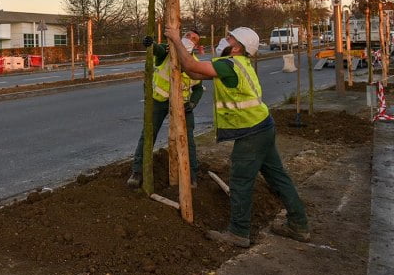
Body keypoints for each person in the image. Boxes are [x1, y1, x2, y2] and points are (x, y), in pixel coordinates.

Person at [164, 26, 310, 248]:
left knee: (240, 181)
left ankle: (238, 232)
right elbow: (194, 72)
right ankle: (299, 225)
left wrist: (176, 39)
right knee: (278, 177)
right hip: (263, 126)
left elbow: (192, 65)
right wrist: (181, 60)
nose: (224, 39)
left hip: (251, 132)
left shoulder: (229, 64)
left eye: (229, 37)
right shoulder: (238, 65)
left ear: (237, 46)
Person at [127, 30, 203, 189]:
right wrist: (150, 43)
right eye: (188, 35)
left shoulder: (194, 63)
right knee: (148, 134)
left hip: (182, 105)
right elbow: (158, 50)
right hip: (159, 100)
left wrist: (193, 103)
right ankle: (138, 171)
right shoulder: (167, 51)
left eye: (194, 39)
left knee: (188, 139)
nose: (190, 39)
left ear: (196, 45)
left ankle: (191, 175)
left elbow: (198, 88)